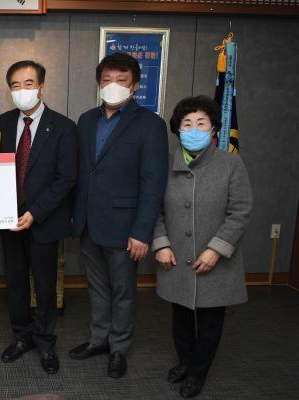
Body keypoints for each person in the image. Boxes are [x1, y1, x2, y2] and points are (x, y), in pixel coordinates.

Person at [69, 52, 169, 378]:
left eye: (121, 80)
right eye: (107, 80)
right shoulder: (86, 120)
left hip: (126, 228)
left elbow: (153, 182)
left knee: (123, 291)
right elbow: (83, 171)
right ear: (99, 84)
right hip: (88, 222)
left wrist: (142, 231)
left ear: (135, 85)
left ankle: (119, 348)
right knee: (97, 288)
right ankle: (99, 339)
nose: (113, 85)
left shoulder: (150, 124)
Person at [152, 95, 252, 398]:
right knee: (180, 318)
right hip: (175, 257)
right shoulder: (164, 164)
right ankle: (186, 361)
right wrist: (161, 244)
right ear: (177, 129)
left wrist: (215, 250)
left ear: (213, 129)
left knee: (210, 322)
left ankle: (197, 372)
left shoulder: (231, 164)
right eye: (186, 123)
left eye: (201, 123)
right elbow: (154, 210)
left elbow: (240, 211)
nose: (193, 129)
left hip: (216, 261)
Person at [0, 60, 77, 374]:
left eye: (28, 84)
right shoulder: (1, 123)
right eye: (15, 85)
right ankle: (22, 336)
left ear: (41, 87)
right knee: (15, 283)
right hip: (9, 220)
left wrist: (35, 211)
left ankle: (45, 340)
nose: (22, 90)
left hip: (44, 219)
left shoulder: (63, 126)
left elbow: (66, 179)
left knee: (44, 285)